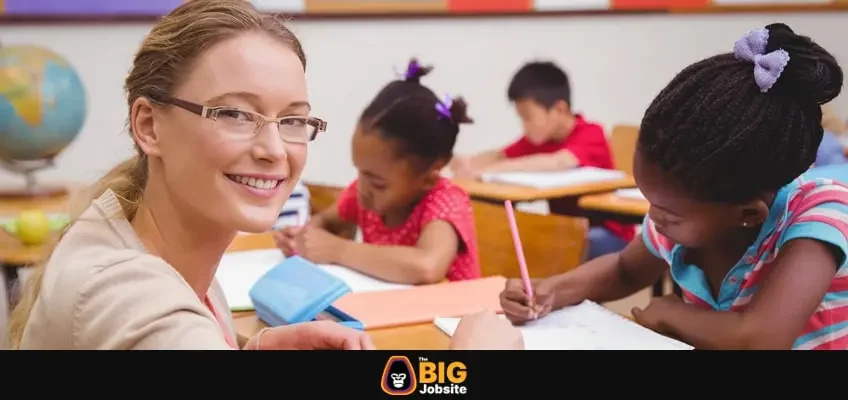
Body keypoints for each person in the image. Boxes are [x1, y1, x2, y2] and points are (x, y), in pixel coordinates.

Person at [5, 0, 518, 350]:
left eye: (293, 119)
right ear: (148, 125)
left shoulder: (152, 245)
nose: (275, 150)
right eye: (234, 113)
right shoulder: (129, 294)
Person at [499, 23, 848, 350]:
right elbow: (624, 268)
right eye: (650, 200)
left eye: (667, 212)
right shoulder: (680, 219)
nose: (652, 216)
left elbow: (759, 339)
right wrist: (551, 290)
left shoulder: (817, 213)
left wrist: (671, 312)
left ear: (747, 213)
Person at [275, 59, 481, 285]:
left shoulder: (445, 201)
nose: (362, 188)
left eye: (378, 183)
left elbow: (427, 267)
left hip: (451, 318)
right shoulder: (362, 193)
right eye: (360, 172)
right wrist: (302, 238)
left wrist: (338, 250)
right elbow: (326, 221)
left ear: (427, 179)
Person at [449, 61, 634, 260]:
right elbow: (501, 154)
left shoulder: (591, 133)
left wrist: (486, 172)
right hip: (566, 231)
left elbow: (558, 162)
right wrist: (469, 162)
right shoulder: (539, 139)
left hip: (609, 234)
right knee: (523, 239)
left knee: (541, 246)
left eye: (528, 118)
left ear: (560, 109)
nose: (525, 127)